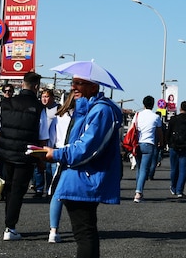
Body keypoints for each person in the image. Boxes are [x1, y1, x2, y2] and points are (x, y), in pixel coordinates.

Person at [44, 74, 123, 258]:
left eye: (79, 83)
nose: (74, 87)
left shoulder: (101, 111)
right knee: (85, 232)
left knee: (84, 233)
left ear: (94, 87)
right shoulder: (90, 109)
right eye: (73, 83)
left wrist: (56, 154)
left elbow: (86, 148)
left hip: (84, 177)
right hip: (83, 176)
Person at [0, 72, 43, 241]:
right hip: (25, 155)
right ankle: (10, 226)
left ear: (22, 85)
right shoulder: (39, 107)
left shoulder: (6, 103)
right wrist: (41, 159)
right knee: (18, 191)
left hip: (6, 153)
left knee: (9, 189)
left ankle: (8, 224)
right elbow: (43, 136)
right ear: (36, 86)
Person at [47, 92, 76, 243]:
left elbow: (51, 138)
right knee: (78, 194)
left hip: (59, 154)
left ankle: (53, 230)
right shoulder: (84, 117)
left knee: (57, 193)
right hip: (77, 156)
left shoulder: (58, 117)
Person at [132, 95, 163, 202]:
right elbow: (159, 132)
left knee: (139, 168)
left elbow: (133, 129)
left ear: (143, 104)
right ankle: (138, 193)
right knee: (144, 169)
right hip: (149, 144)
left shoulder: (137, 115)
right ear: (153, 105)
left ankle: (138, 190)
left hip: (137, 144)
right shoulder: (156, 117)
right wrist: (161, 142)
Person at [34, 88, 60, 198]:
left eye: (47, 96)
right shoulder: (39, 108)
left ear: (52, 98)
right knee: (38, 167)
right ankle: (39, 189)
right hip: (40, 141)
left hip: (52, 142)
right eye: (43, 96)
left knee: (50, 168)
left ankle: (50, 189)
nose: (44, 99)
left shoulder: (58, 109)